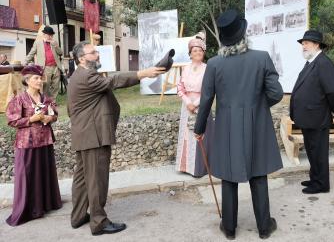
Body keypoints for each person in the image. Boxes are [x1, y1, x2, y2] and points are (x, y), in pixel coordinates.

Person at [194, 9, 283, 240]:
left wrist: (199, 128)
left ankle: (230, 228)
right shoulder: (261, 57)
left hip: (227, 127)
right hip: (257, 125)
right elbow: (276, 93)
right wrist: (257, 107)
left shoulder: (213, 64)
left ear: (223, 40)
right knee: (258, 175)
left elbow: (205, 100)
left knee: (229, 177)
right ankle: (264, 227)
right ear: (244, 37)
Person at [67, 41, 165, 236]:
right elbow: (113, 81)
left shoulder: (77, 75)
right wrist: (142, 74)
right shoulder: (87, 76)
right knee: (96, 181)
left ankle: (78, 216)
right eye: (93, 52)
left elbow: (71, 110)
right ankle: (99, 222)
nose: (97, 54)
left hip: (84, 135)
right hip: (94, 136)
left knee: (82, 179)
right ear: (81, 58)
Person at [5, 64, 62, 226]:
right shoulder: (19, 99)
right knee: (28, 175)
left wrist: (49, 118)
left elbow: (55, 114)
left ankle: (45, 204)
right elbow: (12, 120)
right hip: (27, 142)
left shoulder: (46, 98)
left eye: (40, 78)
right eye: (36, 78)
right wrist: (31, 119)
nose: (40, 81)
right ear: (27, 81)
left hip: (45, 140)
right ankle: (29, 208)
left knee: (44, 173)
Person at [290, 30, 334, 194]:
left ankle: (321, 184)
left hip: (318, 117)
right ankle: (315, 178)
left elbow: (333, 92)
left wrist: (331, 110)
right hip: (309, 117)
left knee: (318, 152)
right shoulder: (311, 62)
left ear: (317, 44)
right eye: (302, 43)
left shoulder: (323, 63)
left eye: (306, 43)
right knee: (312, 151)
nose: (303, 46)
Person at [175, 32, 214, 177]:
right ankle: (187, 167)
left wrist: (196, 103)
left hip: (202, 105)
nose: (197, 53)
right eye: (194, 51)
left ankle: (200, 169)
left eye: (200, 50)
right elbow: (180, 87)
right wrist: (187, 102)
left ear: (203, 53)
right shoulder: (185, 68)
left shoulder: (208, 68)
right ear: (190, 54)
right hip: (187, 106)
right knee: (187, 135)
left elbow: (209, 89)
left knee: (201, 135)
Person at [25, 26, 63, 100]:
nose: (50, 37)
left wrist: (56, 46)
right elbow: (32, 53)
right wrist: (25, 61)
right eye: (49, 35)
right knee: (45, 85)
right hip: (45, 68)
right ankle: (45, 100)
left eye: (51, 35)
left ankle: (53, 101)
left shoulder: (54, 43)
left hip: (56, 67)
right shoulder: (38, 43)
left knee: (56, 86)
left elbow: (60, 53)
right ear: (44, 35)